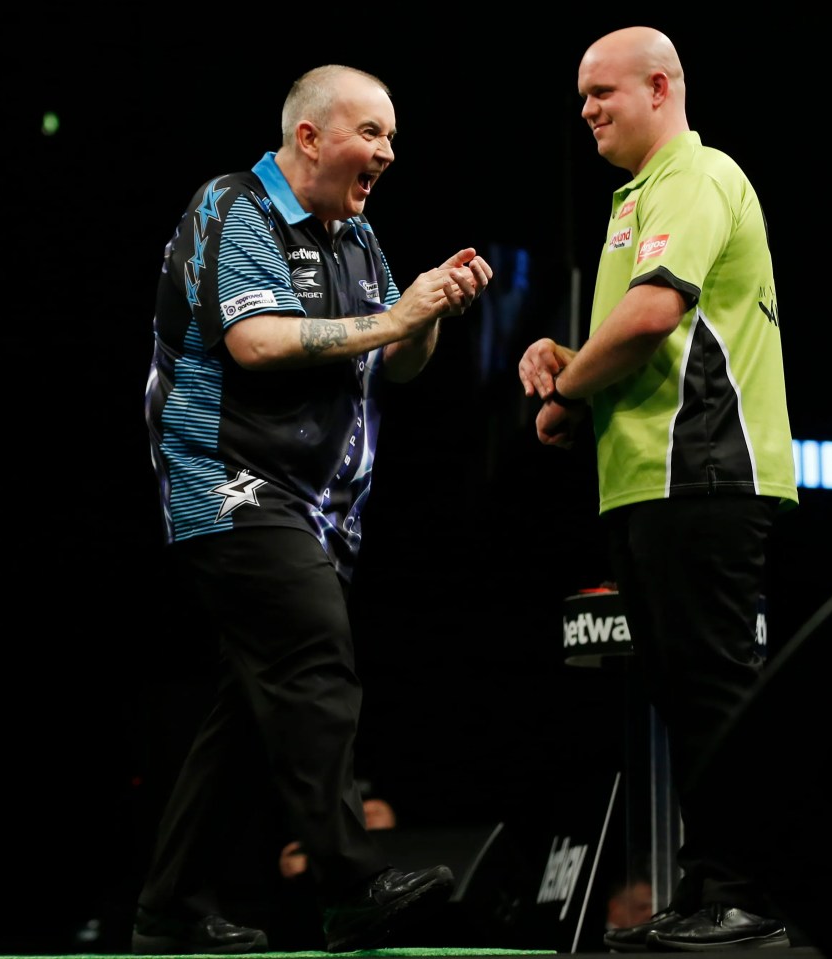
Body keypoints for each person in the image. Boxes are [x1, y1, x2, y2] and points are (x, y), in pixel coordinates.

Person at [136, 63, 492, 956]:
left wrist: (427, 310)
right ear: (309, 138)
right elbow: (256, 344)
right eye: (370, 134)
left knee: (250, 716)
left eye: (392, 139)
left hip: (320, 509)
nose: (386, 153)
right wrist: (395, 315)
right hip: (230, 484)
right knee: (313, 660)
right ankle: (348, 884)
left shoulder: (358, 240)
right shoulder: (232, 207)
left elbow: (393, 364)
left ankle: (169, 909)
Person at [518, 26, 798, 952]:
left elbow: (649, 317)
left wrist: (563, 389)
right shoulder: (634, 199)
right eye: (581, 96)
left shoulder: (693, 173)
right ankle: (716, 887)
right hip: (647, 482)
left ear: (660, 86)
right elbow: (633, 343)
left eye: (604, 91)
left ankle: (754, 893)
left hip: (705, 470)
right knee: (684, 698)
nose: (588, 109)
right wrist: (562, 361)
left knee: (715, 692)